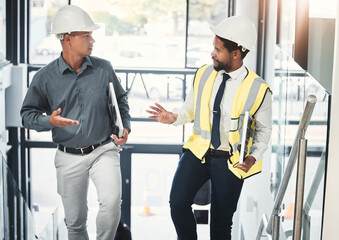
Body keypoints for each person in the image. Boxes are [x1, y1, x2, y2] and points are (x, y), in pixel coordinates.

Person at [147, 15, 272, 239]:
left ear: (236, 53)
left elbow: (264, 130)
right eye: (213, 48)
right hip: (198, 151)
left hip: (230, 159)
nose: (212, 53)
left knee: (221, 222)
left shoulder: (259, 89)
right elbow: (190, 109)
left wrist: (254, 156)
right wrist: (173, 117)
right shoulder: (204, 74)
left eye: (218, 50)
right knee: (177, 202)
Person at [20, 5, 131, 240]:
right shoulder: (44, 78)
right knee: (75, 222)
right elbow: (27, 115)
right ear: (68, 39)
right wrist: (48, 121)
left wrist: (125, 125)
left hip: (103, 149)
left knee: (111, 204)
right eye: (86, 35)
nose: (93, 40)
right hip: (68, 156)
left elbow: (120, 99)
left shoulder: (104, 68)